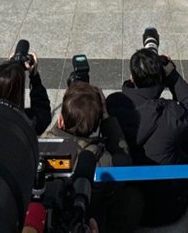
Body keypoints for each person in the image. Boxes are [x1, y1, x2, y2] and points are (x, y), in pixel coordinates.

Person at [106, 44, 188, 226]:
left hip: (126, 206)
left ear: (132, 77)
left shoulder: (113, 104)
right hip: (166, 210)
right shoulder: (169, 114)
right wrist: (172, 77)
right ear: (160, 78)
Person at [49, 81, 143, 233]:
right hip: (89, 217)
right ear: (98, 126)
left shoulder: (42, 146)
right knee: (133, 197)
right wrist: (107, 118)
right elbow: (125, 162)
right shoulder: (103, 161)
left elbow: (54, 133)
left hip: (50, 214)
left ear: (60, 120)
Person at [0, 52, 51, 135]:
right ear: (18, 94)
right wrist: (34, 75)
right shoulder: (26, 121)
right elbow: (43, 112)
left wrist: (8, 68)